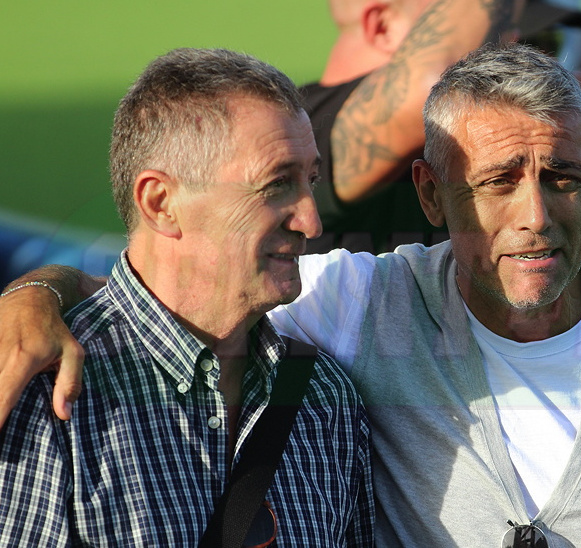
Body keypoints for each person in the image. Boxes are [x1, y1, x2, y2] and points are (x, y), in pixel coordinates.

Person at [0, 43, 581, 546]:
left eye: (562, 178)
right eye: (497, 182)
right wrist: (36, 293)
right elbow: (162, 294)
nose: (536, 215)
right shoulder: (356, 304)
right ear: (431, 194)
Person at [0, 48, 374, 545]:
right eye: (276, 184)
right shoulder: (43, 390)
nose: (312, 222)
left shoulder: (326, 399)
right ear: (160, 203)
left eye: (311, 180)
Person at [302, 0, 581, 253]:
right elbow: (435, 80)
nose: (520, 56)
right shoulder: (299, 129)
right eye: (493, 35)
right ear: (383, 26)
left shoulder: (518, 125)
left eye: (540, 41)